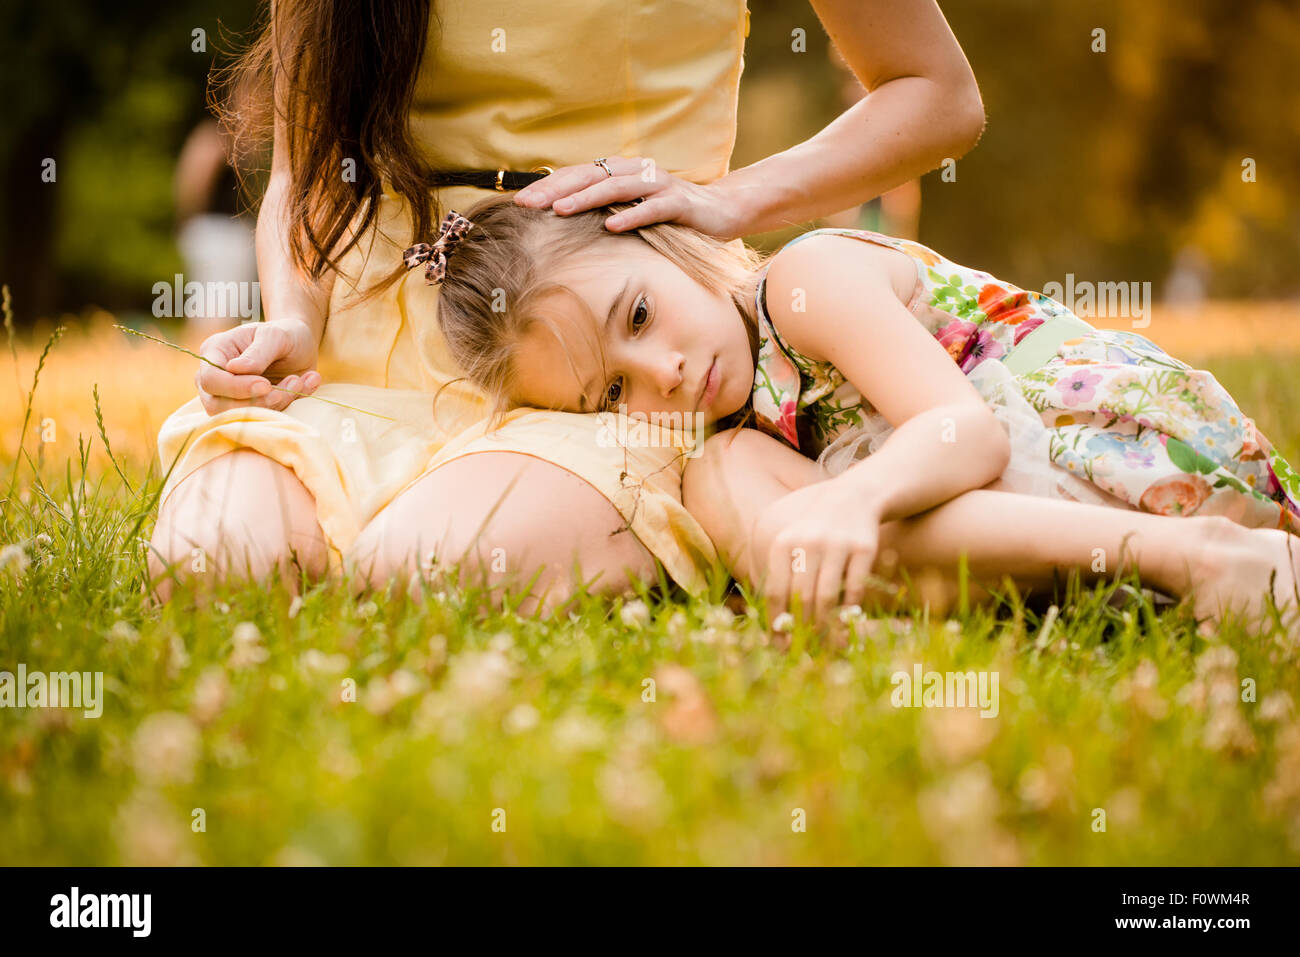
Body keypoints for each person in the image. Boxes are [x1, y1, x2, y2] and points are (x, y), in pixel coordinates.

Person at [147, 0, 987, 614]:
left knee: (413, 581)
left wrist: (732, 200)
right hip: (353, 347)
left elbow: (935, 91)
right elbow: (307, 169)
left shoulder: (657, 358)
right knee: (212, 572)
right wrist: (294, 318)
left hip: (605, 358)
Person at [417, 194, 1300, 631]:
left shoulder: (805, 281)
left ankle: (1207, 555)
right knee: (733, 484)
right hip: (1051, 525)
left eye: (639, 317)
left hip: (1121, 451)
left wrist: (849, 499)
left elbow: (967, 434)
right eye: (613, 391)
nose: (667, 376)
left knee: (788, 498)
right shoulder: (735, 441)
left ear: (660, 240)